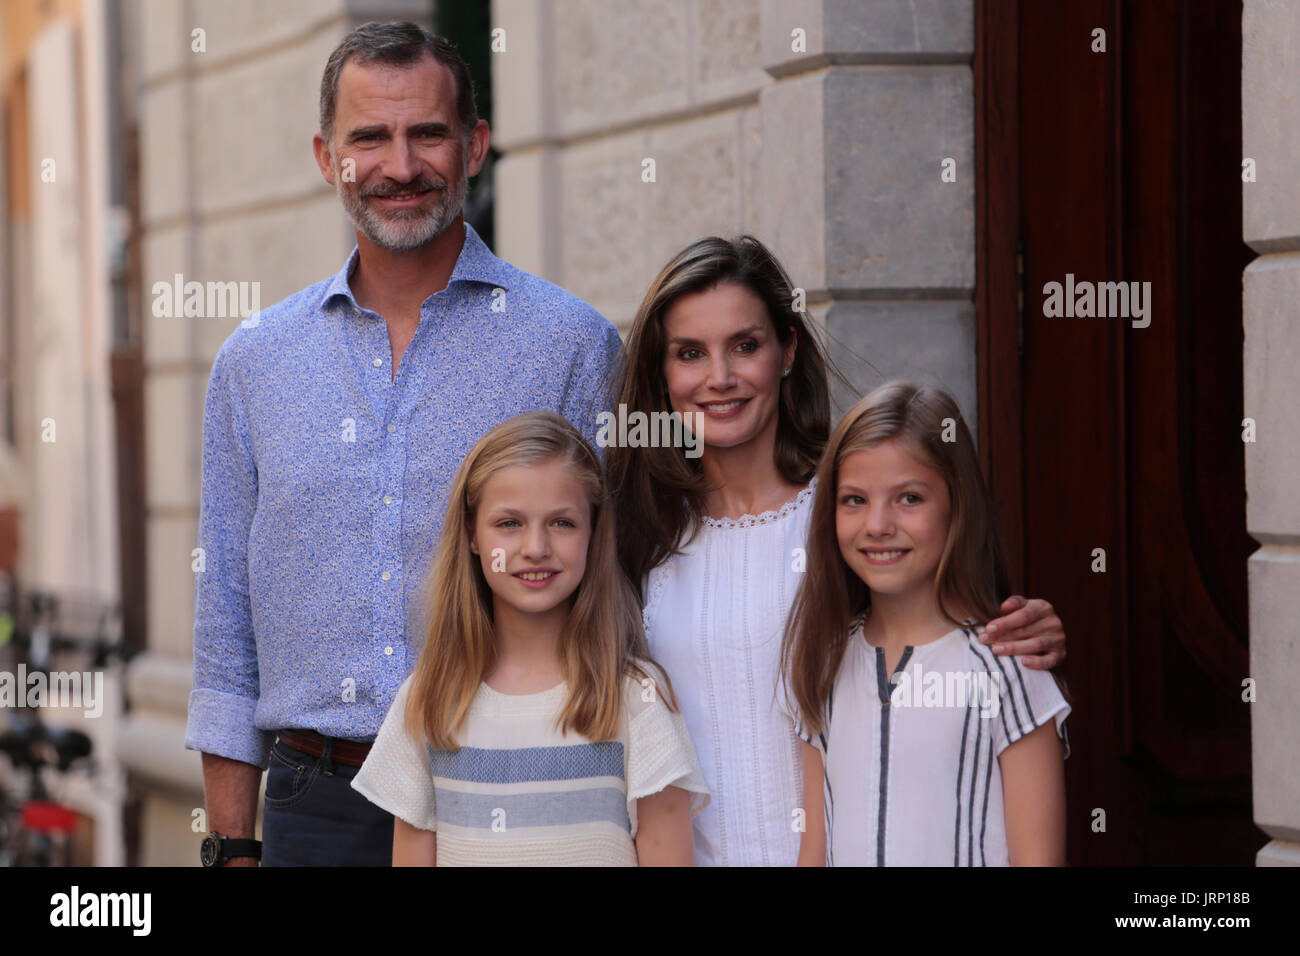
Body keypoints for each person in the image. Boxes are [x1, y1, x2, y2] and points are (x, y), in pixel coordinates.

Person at [184, 22, 622, 866]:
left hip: (514, 790)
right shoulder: (256, 365)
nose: (400, 165)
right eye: (369, 138)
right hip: (316, 804)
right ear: (327, 157)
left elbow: (618, 587)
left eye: (428, 133)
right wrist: (231, 848)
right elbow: (226, 628)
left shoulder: (570, 345)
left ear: (475, 146)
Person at [606, 235, 1068, 866]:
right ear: (663, 373)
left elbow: (955, 639)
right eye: (690, 353)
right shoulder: (637, 536)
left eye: (746, 345)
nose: (720, 377)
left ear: (787, 349)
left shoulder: (852, 515)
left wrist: (1022, 628)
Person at [351, 412, 708, 865]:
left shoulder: (637, 698)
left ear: (593, 534)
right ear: (472, 535)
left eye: (562, 523)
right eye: (509, 523)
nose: (536, 547)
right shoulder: (429, 700)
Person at [783, 382, 1070, 865]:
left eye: (909, 498)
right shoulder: (823, 662)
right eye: (854, 499)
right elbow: (814, 854)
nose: (877, 524)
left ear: (958, 505)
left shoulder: (1009, 666)